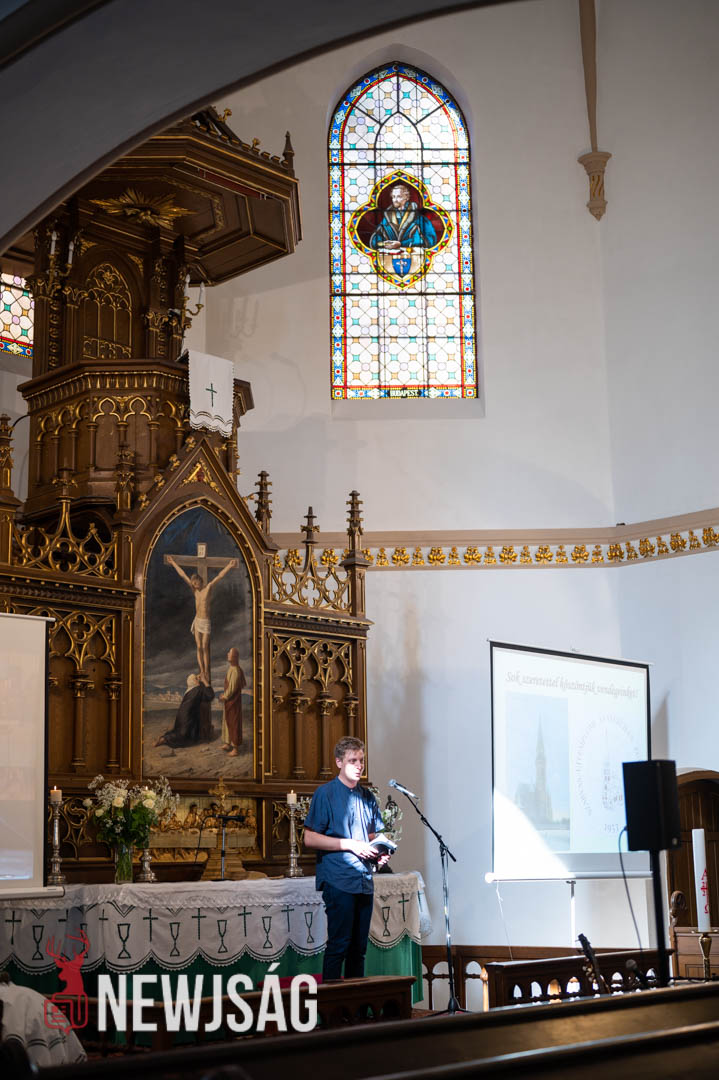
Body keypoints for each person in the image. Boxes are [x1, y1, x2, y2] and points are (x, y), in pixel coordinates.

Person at [303, 736, 390, 981]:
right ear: (339, 762)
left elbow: (371, 836)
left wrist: (379, 853)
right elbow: (310, 838)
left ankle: (356, 1003)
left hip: (363, 880)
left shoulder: (367, 796)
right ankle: (333, 1003)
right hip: (339, 878)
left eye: (361, 760)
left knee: (358, 950)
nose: (359, 765)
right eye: (353, 760)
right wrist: (349, 845)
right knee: (339, 945)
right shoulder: (326, 794)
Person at [166, 555, 238, 682]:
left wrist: (229, 566)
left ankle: (206, 671)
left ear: (200, 581)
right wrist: (173, 563)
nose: (194, 584)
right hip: (198, 621)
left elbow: (219, 576)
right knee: (199, 647)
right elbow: (183, 575)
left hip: (205, 622)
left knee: (205, 646)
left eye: (195, 582)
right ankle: (202, 671)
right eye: (192, 583)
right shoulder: (195, 592)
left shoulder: (208, 588)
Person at [369, 183, 438, 251]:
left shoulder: (419, 219)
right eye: (393, 197)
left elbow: (430, 240)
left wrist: (401, 244)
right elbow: (375, 239)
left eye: (399, 196)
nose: (395, 200)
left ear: (407, 198)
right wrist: (383, 243)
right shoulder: (387, 219)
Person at [154, 672, 214, 748]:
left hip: (182, 716)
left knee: (179, 731)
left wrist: (199, 679)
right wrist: (204, 681)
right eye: (196, 678)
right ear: (194, 681)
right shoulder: (197, 689)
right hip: (188, 716)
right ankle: (164, 739)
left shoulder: (190, 690)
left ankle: (164, 738)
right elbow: (210, 696)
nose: (198, 679)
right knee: (183, 735)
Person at [219, 647, 246, 757]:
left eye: (229, 653)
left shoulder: (235, 670)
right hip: (229, 701)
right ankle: (227, 742)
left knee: (233, 722)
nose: (227, 654)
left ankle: (235, 748)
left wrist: (224, 696)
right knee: (227, 721)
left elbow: (232, 688)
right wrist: (225, 696)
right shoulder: (231, 668)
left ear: (234, 656)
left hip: (233, 701)